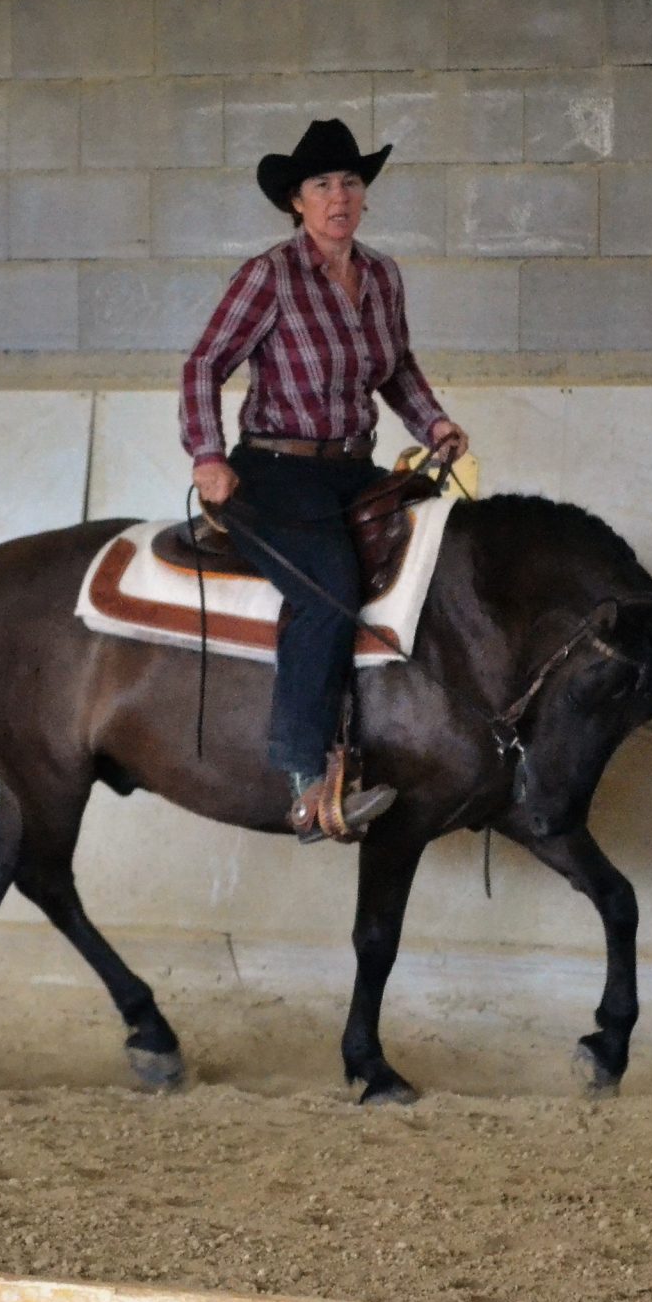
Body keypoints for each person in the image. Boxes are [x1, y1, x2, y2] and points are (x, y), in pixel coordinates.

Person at [181, 118, 470, 844]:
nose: (338, 195)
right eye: (322, 185)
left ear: (364, 197)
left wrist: (433, 425)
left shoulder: (381, 275)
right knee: (328, 587)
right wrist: (208, 455)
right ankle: (305, 778)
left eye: (350, 182)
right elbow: (204, 365)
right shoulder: (268, 275)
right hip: (275, 470)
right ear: (297, 203)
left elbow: (397, 369)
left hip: (352, 466)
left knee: (437, 546)